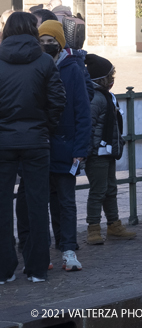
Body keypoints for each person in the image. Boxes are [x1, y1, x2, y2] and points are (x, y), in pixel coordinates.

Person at [0, 12, 65, 283]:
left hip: (3, 142)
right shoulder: (44, 61)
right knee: (38, 204)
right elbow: (57, 101)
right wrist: (44, 128)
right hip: (37, 141)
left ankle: (3, 270)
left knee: (2, 206)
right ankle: (37, 268)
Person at [39, 19, 91, 272]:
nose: (47, 46)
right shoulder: (36, 67)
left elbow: (83, 111)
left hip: (67, 146)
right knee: (46, 200)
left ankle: (68, 247)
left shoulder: (73, 69)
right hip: (41, 146)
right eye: (43, 42)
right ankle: (56, 245)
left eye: (51, 42)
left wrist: (80, 150)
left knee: (66, 200)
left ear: (60, 43)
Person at [83, 54, 135, 245]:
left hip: (107, 152)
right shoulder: (96, 98)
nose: (113, 80)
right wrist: (88, 152)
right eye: (110, 77)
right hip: (97, 154)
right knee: (98, 190)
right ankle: (93, 228)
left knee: (110, 189)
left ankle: (114, 224)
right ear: (101, 79)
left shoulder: (106, 96)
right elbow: (88, 127)